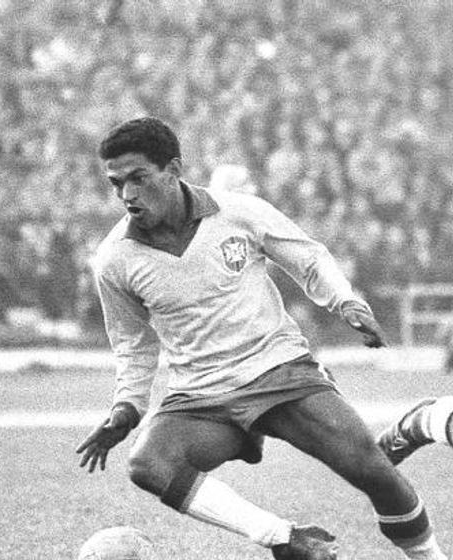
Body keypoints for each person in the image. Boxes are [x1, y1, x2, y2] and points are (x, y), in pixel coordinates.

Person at [75, 117, 446, 560]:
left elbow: (308, 258)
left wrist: (345, 301)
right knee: (148, 463)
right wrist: (126, 409)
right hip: (201, 395)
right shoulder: (114, 259)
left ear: (173, 168)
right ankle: (283, 538)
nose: (127, 195)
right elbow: (133, 346)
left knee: (375, 473)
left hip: (278, 371)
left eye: (138, 178)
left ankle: (427, 533)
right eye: (116, 183)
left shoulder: (239, 211)